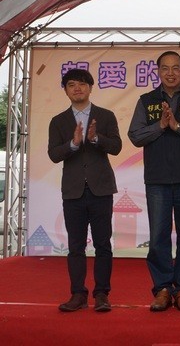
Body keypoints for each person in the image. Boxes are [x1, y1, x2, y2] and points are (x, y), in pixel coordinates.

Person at [128, 51, 180, 312]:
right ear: (158, 72)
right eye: (165, 68)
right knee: (158, 236)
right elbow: (136, 136)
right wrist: (160, 125)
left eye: (175, 68)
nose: (170, 73)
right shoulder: (147, 100)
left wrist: (177, 127)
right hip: (158, 180)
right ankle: (162, 288)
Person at [48, 68, 122, 312]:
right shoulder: (58, 121)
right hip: (73, 192)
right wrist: (73, 144)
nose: (77, 88)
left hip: (101, 190)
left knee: (103, 245)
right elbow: (53, 154)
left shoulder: (106, 115)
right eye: (71, 85)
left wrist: (95, 139)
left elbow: (116, 147)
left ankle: (102, 294)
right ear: (66, 90)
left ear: (91, 87)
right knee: (76, 246)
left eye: (82, 84)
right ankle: (78, 294)